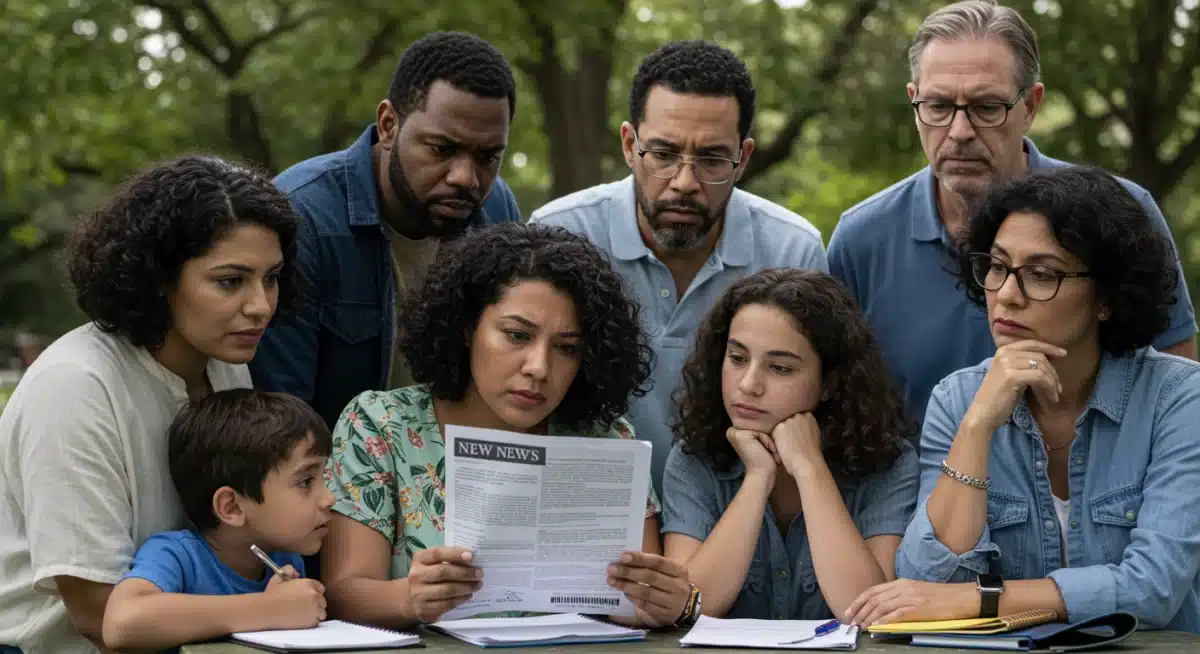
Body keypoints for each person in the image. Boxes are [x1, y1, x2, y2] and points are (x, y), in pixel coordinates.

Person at [845, 166, 1200, 633]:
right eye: (997, 266)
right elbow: (927, 583)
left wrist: (984, 599)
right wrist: (977, 428)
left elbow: (1152, 589)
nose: (1006, 296)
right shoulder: (959, 399)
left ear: (1107, 298)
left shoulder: (1179, 398)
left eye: (1041, 274)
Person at [827, 0, 1197, 430]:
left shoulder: (1121, 215)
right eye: (939, 106)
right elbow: (839, 413)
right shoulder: (862, 240)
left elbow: (1179, 391)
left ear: (1031, 106)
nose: (960, 132)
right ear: (914, 101)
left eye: (987, 108)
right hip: (925, 493)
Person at [320, 222, 699, 630]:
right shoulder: (381, 425)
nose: (538, 368)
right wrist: (408, 597)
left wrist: (667, 603)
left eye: (566, 348)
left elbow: (630, 602)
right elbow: (343, 592)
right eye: (517, 335)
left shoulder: (607, 438)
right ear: (466, 329)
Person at [0, 156, 297, 653]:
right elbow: (98, 615)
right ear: (157, 278)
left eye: (271, 278)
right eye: (230, 281)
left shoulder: (226, 365)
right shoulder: (74, 388)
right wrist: (265, 609)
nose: (261, 305)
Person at [531, 40, 828, 498]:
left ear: (743, 159)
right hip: (582, 506)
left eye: (711, 160)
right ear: (630, 145)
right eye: (664, 155)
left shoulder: (793, 250)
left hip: (736, 516)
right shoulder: (560, 233)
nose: (684, 183)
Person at [251, 31, 523, 434]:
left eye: (488, 157)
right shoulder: (302, 217)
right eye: (441, 149)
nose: (466, 177)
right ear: (388, 125)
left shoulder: (497, 210)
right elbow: (281, 420)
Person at [661, 268, 919, 621]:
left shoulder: (889, 461)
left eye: (780, 368)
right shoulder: (693, 456)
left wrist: (809, 467)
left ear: (828, 383)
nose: (748, 385)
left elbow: (865, 609)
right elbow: (690, 604)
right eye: (737, 359)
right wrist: (757, 477)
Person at [102, 390, 334, 651]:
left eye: (324, 478)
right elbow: (121, 623)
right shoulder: (176, 556)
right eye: (305, 482)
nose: (329, 498)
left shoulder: (284, 562)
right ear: (232, 507)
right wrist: (268, 608)